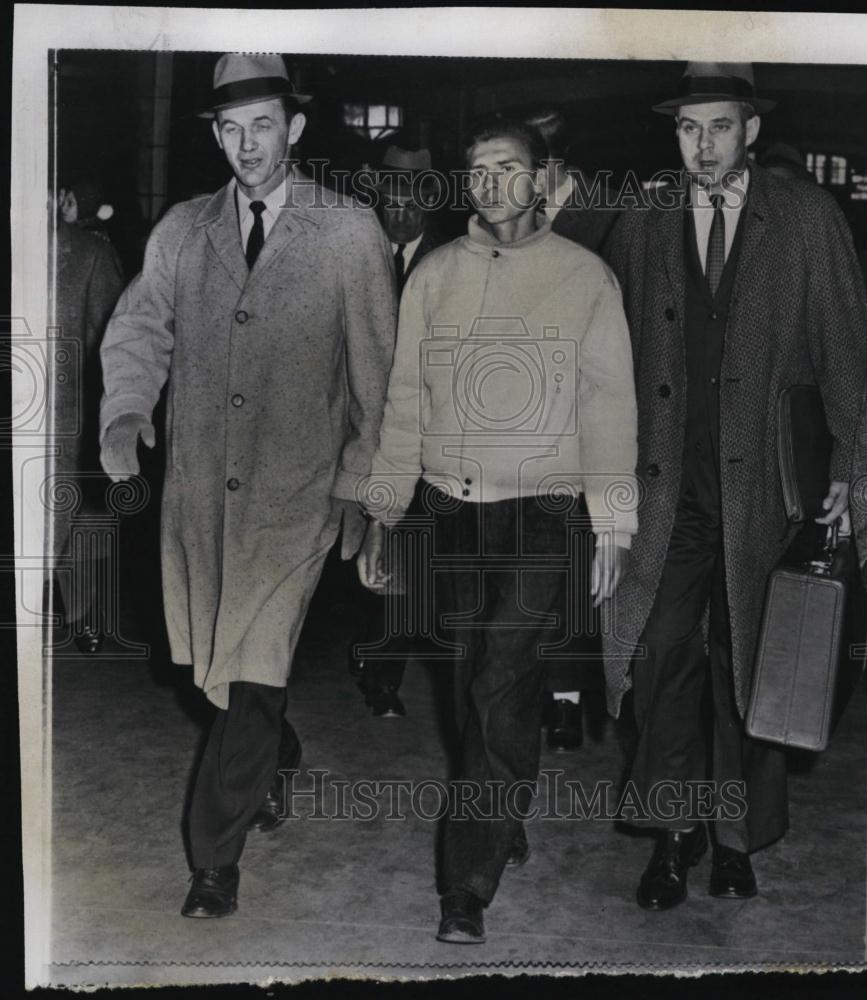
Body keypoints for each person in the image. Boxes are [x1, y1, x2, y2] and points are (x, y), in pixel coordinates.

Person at [98, 53, 396, 919]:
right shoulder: (183, 231)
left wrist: (365, 491)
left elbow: (376, 373)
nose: (245, 145)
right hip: (197, 495)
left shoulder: (348, 231)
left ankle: (212, 864)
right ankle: (277, 751)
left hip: (296, 497)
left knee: (254, 673)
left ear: (294, 129)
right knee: (215, 678)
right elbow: (139, 329)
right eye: (230, 129)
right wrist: (125, 413)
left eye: (262, 124)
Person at [357, 117, 638, 943]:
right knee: (469, 683)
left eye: (506, 168)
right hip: (449, 508)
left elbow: (610, 407)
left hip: (543, 511)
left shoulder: (586, 278)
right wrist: (382, 510)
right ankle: (505, 805)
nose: (488, 184)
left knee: (499, 681)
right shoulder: (435, 276)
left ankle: (464, 886)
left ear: (542, 176)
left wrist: (612, 525)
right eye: (475, 171)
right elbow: (404, 402)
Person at [603, 62, 867, 911]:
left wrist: (848, 468)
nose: (704, 145)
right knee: (660, 654)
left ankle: (733, 839)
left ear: (750, 130)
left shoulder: (804, 217)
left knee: (748, 662)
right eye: (688, 128)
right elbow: (605, 351)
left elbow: (845, 355)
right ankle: (672, 837)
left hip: (766, 487)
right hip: (667, 485)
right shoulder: (645, 217)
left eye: (720, 126)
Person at [525, 107, 623, 751]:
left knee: (574, 561)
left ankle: (565, 693)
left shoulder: (616, 217)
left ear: (555, 165)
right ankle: (542, 689)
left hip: (588, 423)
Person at [351, 145, 449, 718]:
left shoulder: (450, 257)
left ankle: (382, 672)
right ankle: (367, 655)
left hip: (421, 436)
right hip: (359, 430)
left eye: (414, 196)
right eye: (393, 194)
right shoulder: (355, 254)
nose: (403, 208)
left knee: (403, 555)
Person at [52, 213, 124, 654]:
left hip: (65, 418)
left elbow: (118, 341)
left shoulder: (89, 254)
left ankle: (82, 615)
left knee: (74, 519)